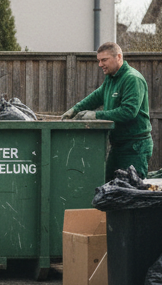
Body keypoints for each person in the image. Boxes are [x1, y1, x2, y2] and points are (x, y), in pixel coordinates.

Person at [61, 42, 152, 181]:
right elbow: (96, 97)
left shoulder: (132, 79)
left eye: (104, 60)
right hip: (118, 145)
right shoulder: (111, 79)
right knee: (109, 186)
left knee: (130, 190)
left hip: (135, 147)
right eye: (99, 60)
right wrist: (75, 110)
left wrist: (96, 115)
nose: (100, 64)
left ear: (119, 57)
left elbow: (128, 111)